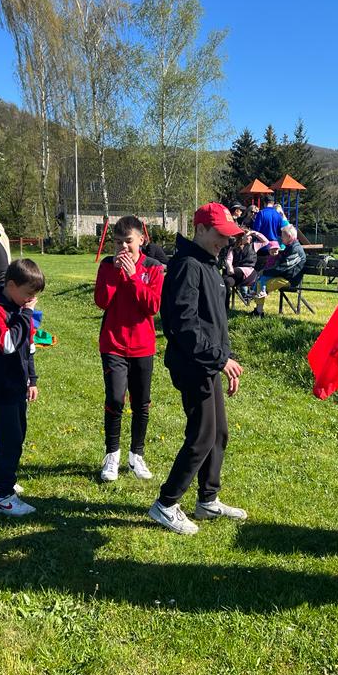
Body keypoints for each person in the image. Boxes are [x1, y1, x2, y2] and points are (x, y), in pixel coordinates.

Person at [150, 202, 247, 535]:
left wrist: (224, 361)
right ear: (201, 229)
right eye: (220, 234)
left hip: (208, 363)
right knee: (202, 435)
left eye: (229, 235)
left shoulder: (208, 264)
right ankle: (166, 503)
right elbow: (184, 325)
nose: (226, 241)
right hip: (192, 364)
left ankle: (208, 500)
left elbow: (215, 324)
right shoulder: (187, 266)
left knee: (218, 433)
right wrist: (219, 359)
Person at [94, 216, 165, 483]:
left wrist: (134, 276)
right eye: (117, 242)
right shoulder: (107, 266)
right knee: (115, 399)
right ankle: (112, 454)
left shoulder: (153, 267)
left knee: (141, 403)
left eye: (128, 241)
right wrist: (116, 273)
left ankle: (137, 455)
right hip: (113, 343)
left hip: (143, 345)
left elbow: (152, 306)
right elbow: (102, 301)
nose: (123, 247)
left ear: (141, 240)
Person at [0, 258, 46, 516]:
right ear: (10, 285)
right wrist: (26, 315)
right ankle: (4, 497)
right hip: (0, 385)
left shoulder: (19, 309)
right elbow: (8, 344)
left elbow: (28, 347)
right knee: (11, 441)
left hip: (18, 383)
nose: (31, 300)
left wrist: (32, 379)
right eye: (28, 293)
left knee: (17, 434)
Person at [252, 225, 307, 317]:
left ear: (289, 236)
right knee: (260, 283)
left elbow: (283, 267)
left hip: (290, 279)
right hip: (283, 276)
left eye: (283, 236)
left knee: (261, 284)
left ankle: (259, 312)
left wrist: (265, 272)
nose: (281, 238)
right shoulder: (290, 247)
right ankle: (258, 310)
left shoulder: (295, 249)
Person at [224, 229, 269, 306]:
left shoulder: (254, 246)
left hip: (250, 273)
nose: (251, 237)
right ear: (242, 237)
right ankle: (225, 305)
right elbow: (229, 260)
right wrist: (229, 267)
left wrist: (254, 232)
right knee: (226, 282)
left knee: (228, 272)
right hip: (236, 275)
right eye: (249, 236)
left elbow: (266, 241)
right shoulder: (233, 248)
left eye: (251, 236)